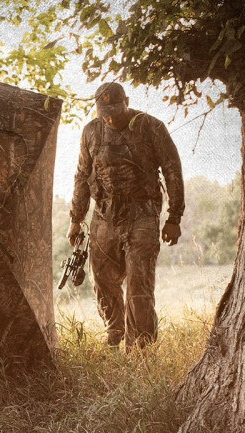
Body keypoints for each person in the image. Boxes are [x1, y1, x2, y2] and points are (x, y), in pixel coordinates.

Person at [67, 82, 184, 349]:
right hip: (104, 212)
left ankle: (140, 348)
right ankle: (115, 331)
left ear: (127, 102)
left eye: (115, 112)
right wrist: (76, 219)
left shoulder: (151, 127)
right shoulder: (90, 131)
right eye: (104, 114)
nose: (110, 119)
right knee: (101, 277)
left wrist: (174, 217)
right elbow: (82, 175)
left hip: (142, 212)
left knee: (139, 285)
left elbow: (172, 170)